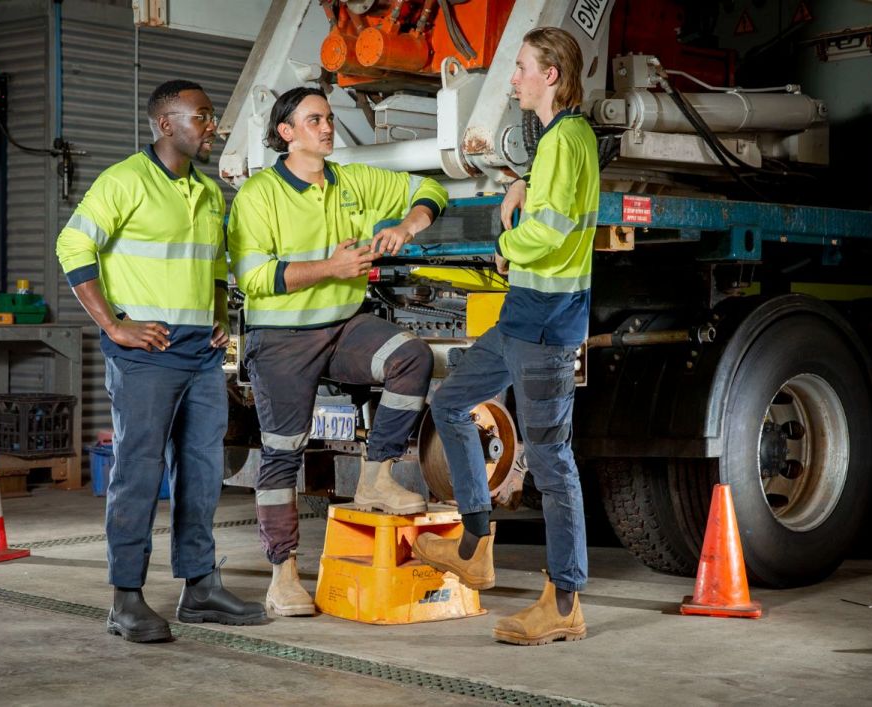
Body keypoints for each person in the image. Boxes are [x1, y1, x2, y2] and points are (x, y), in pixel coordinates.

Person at [56, 80, 265, 642]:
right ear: (166, 124)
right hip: (147, 354)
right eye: (202, 116)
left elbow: (213, 265)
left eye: (213, 115)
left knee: (200, 472)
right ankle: (126, 599)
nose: (212, 125)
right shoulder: (124, 180)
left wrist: (221, 315)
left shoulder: (206, 191)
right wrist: (114, 325)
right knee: (139, 472)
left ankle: (200, 587)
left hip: (200, 352)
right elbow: (72, 246)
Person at [227, 87, 449, 617]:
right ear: (287, 133)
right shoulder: (258, 195)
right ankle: (283, 576)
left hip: (341, 327)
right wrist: (330, 268)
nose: (327, 128)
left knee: (409, 356)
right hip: (280, 339)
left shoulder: (349, 180)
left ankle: (376, 478)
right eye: (313, 120)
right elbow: (254, 278)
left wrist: (405, 225)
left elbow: (429, 189)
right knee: (284, 454)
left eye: (328, 118)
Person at [412, 27, 600, 645]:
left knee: (551, 463)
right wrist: (519, 180)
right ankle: (475, 544)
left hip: (545, 321)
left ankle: (565, 601)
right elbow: (546, 196)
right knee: (448, 401)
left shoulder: (568, 139)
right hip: (522, 314)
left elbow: (548, 233)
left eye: (520, 67)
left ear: (551, 76)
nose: (512, 77)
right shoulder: (555, 141)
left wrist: (504, 246)